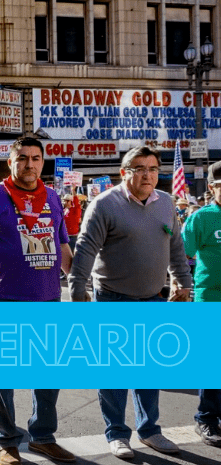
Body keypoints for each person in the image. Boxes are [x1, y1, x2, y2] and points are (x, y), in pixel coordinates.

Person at [69, 145, 192, 459]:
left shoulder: (166, 203)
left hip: (153, 298)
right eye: (140, 169)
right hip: (113, 298)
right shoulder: (104, 205)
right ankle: (117, 434)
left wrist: (183, 281)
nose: (147, 175)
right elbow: (85, 250)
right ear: (124, 172)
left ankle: (150, 431)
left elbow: (176, 247)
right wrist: (77, 291)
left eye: (153, 169)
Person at [0, 138, 75, 465]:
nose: (30, 164)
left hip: (49, 298)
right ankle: (8, 442)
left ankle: (43, 437)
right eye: (22, 158)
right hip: (8, 299)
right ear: (11, 162)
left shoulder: (52, 197)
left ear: (42, 162)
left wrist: (81, 284)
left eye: (36, 158)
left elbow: (63, 247)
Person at [183, 161, 221, 447]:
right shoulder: (201, 218)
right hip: (210, 299)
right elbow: (181, 253)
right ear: (212, 187)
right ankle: (206, 418)